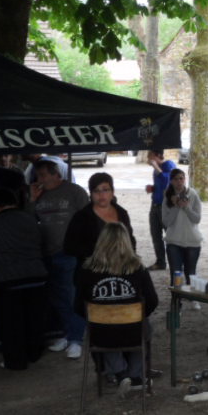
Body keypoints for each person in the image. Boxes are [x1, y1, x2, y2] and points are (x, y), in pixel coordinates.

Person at [74, 222, 159, 394]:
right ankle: (135, 375)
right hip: (133, 331)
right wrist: (135, 315)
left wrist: (100, 316)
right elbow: (152, 301)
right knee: (145, 327)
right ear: (126, 242)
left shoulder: (86, 271)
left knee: (99, 329)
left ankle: (120, 373)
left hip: (102, 334)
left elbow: (78, 306)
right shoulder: (138, 269)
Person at [0, 187, 48, 370]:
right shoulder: (30, 219)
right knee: (33, 319)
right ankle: (34, 354)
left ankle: (16, 361)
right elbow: (42, 242)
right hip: (36, 277)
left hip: (6, 281)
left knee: (11, 325)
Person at [30, 159, 90, 358]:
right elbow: (27, 221)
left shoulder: (74, 191)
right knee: (58, 298)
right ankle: (67, 333)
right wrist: (32, 200)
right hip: (47, 253)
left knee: (72, 296)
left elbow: (88, 218)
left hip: (70, 253)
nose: (40, 179)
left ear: (56, 175)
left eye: (43, 175)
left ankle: (76, 339)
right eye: (38, 176)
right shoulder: (38, 194)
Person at [63, 172, 136, 272]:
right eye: (96, 191)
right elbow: (69, 247)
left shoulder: (122, 213)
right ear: (91, 194)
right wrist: (99, 253)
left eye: (105, 190)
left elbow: (130, 240)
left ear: (112, 192)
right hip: (92, 272)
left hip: (121, 269)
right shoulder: (81, 217)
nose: (101, 195)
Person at [162, 168, 203, 307]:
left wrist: (186, 207)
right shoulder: (167, 197)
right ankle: (177, 301)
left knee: (191, 272)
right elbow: (166, 222)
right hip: (174, 241)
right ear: (171, 181)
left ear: (185, 179)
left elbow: (197, 219)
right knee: (176, 273)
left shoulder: (193, 194)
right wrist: (175, 206)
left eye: (181, 178)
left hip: (192, 241)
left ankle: (193, 297)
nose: (179, 182)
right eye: (176, 179)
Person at [145, 150, 176, 271]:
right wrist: (152, 188)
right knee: (155, 235)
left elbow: (167, 181)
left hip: (166, 207)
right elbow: (160, 186)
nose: (148, 158)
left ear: (158, 155)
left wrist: (155, 166)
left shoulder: (169, 165)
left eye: (150, 156)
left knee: (170, 235)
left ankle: (175, 262)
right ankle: (160, 262)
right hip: (155, 205)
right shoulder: (156, 170)